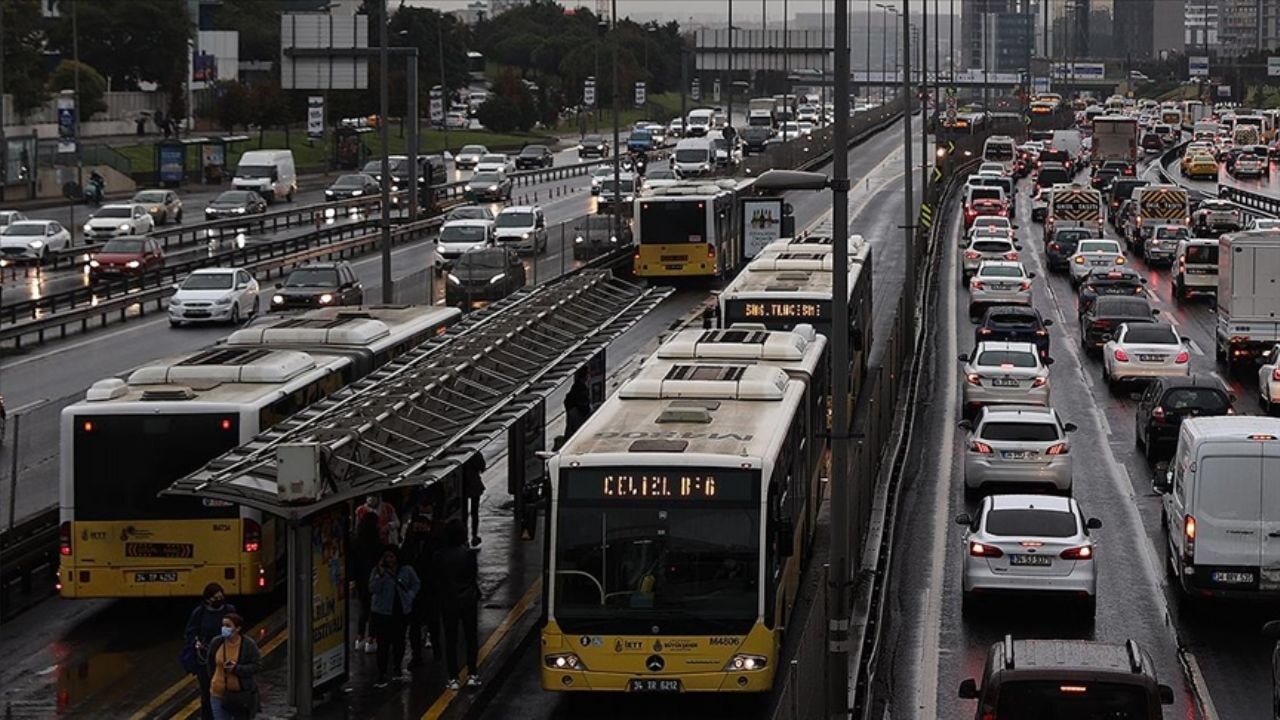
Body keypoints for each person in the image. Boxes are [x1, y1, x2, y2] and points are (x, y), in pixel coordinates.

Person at [433, 520, 481, 690]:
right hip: (468, 599)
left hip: (448, 601)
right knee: (470, 638)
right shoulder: (469, 554)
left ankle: (453, 677)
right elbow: (474, 576)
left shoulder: (439, 556)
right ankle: (472, 673)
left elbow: (436, 580)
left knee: (450, 639)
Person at [368, 546, 420, 688]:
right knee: (383, 644)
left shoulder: (406, 570)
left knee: (399, 641)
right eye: (386, 557)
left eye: (392, 556)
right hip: (382, 612)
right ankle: (382, 672)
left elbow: (416, 583)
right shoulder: (377, 572)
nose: (389, 560)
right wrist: (381, 575)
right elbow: (372, 589)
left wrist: (410, 596)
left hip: (400, 611)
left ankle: (397, 667)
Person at [185, 583, 237, 720]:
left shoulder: (229, 610)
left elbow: (237, 630)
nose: (219, 600)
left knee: (227, 690)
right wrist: (195, 643)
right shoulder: (200, 613)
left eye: (221, 597)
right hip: (206, 659)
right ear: (208, 599)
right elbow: (190, 632)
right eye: (215, 598)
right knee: (207, 692)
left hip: (226, 656)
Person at [401, 500, 442, 667]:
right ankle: (416, 655)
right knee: (415, 625)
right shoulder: (409, 544)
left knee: (432, 622)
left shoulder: (433, 543)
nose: (419, 528)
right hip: (414, 591)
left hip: (429, 588)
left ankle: (437, 649)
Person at [206, 613, 260, 720]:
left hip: (240, 696)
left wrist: (237, 669)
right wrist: (213, 680)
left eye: (228, 626)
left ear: (238, 628)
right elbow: (210, 663)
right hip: (217, 694)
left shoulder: (248, 645)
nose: (224, 628)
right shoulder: (216, 642)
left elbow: (256, 666)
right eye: (223, 625)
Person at [351, 510, 381, 654]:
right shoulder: (376, 542)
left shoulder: (356, 541)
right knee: (373, 609)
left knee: (363, 609)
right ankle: (371, 639)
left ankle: (359, 637)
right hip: (373, 579)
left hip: (360, 579)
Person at [462, 453, 485, 547]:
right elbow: (482, 468)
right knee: (474, 512)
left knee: (463, 513)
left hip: (463, 486)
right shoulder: (477, 454)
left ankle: (464, 537)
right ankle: (474, 535)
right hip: (475, 485)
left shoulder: (460, 454)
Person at [564, 368, 592, 437]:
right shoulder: (581, 388)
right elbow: (583, 405)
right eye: (588, 375)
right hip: (577, 414)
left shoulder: (576, 386)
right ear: (585, 376)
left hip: (574, 412)